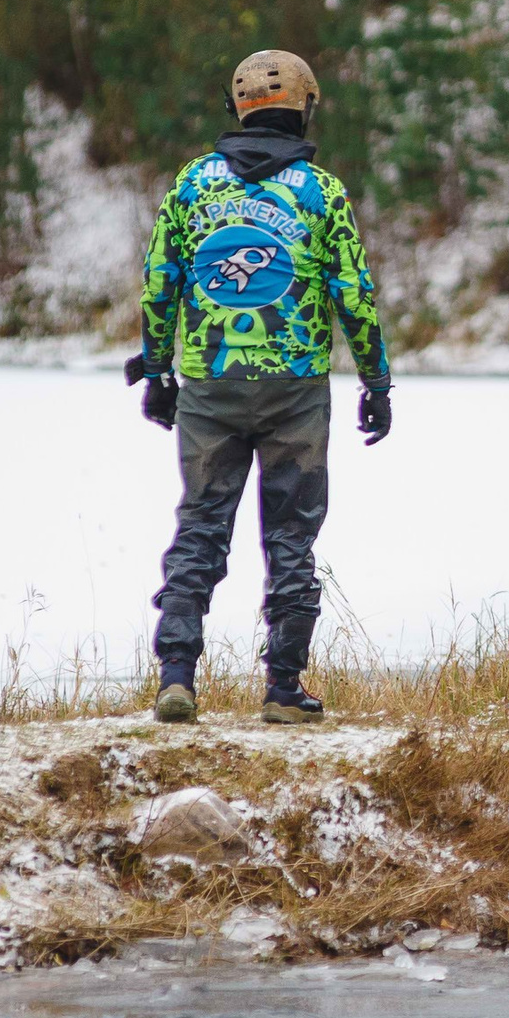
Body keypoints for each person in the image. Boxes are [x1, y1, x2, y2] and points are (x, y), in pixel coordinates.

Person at [129, 49, 393, 725]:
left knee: (200, 527)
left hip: (210, 382)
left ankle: (176, 678)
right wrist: (376, 380)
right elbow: (354, 293)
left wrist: (157, 370)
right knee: (291, 538)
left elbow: (159, 282)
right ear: (304, 107)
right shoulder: (321, 191)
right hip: (294, 389)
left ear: (236, 108)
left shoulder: (192, 184)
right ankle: (283, 688)